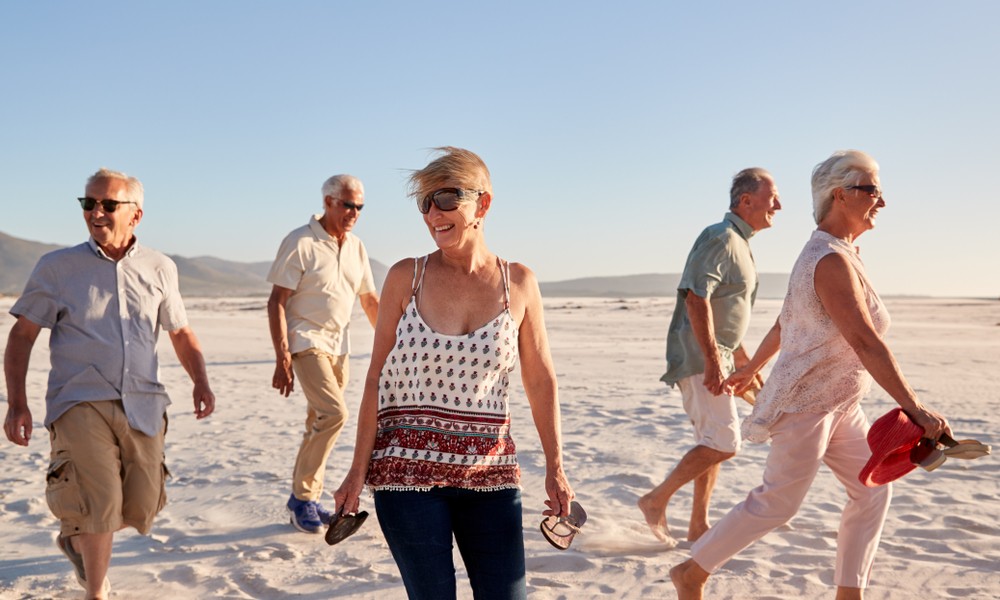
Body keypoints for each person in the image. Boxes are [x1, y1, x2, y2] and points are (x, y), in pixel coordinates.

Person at [670, 150, 951, 600]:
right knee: (777, 504)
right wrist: (914, 408)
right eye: (872, 189)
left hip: (842, 405)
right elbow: (865, 342)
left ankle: (848, 592)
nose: (881, 200)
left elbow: (788, 321)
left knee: (872, 490)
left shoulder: (842, 253)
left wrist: (750, 367)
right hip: (807, 405)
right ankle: (692, 571)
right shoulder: (828, 260)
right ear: (840, 196)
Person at [334, 147, 574, 600]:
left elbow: (541, 380)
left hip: (491, 475)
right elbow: (375, 380)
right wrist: (355, 470)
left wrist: (556, 468)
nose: (433, 213)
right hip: (405, 477)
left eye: (446, 199)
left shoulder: (518, 282)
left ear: (482, 204)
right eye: (425, 203)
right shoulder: (408, 276)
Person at [3, 168, 215, 599]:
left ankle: (75, 540)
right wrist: (17, 404)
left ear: (135, 215)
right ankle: (96, 591)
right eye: (88, 203)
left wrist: (200, 380)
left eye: (107, 204)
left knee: (139, 506)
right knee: (98, 503)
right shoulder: (57, 268)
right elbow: (22, 336)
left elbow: (180, 332)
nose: (95, 212)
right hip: (79, 400)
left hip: (143, 400)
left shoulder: (161, 267)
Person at [638, 168, 781, 544]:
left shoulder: (739, 241)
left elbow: (728, 317)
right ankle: (656, 500)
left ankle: (697, 524)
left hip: (719, 356)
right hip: (704, 359)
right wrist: (716, 363)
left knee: (712, 441)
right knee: (723, 443)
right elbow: (696, 296)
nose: (778, 206)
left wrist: (747, 365)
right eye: (772, 197)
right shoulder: (721, 238)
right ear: (746, 201)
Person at [267, 174, 380, 534]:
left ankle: (306, 499)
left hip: (340, 346)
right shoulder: (300, 241)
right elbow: (276, 302)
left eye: (359, 206)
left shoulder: (357, 247)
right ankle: (302, 499)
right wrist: (282, 354)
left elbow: (369, 300)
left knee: (318, 421)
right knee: (335, 415)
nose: (354, 212)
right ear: (328, 202)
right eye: (347, 204)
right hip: (305, 340)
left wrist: (395, 343)